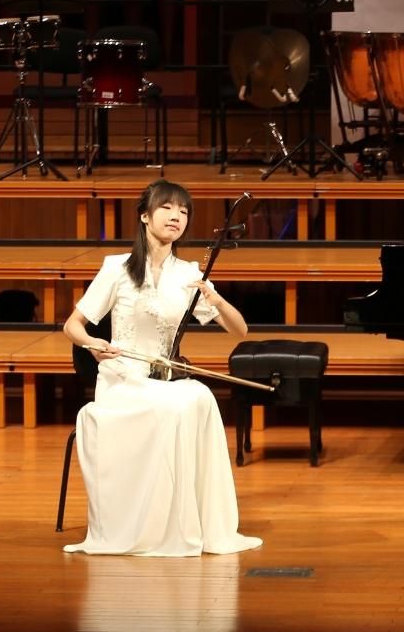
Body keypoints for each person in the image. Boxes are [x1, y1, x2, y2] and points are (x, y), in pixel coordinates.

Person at [61, 179, 262, 556]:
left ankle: (188, 523)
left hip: (162, 379)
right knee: (177, 406)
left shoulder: (188, 274)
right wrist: (92, 344)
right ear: (144, 216)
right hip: (122, 380)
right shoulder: (116, 268)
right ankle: (154, 527)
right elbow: (72, 326)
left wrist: (216, 299)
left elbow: (240, 330)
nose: (176, 216)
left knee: (200, 397)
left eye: (184, 211)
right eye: (167, 207)